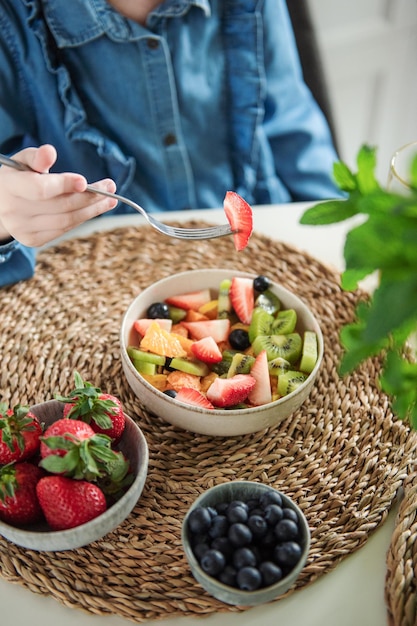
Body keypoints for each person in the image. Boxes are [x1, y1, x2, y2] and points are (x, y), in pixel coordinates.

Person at [0, 0, 341, 288]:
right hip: (92, 277)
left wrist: (341, 238)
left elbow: (293, 128)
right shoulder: (11, 22)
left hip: (263, 246)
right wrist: (5, 220)